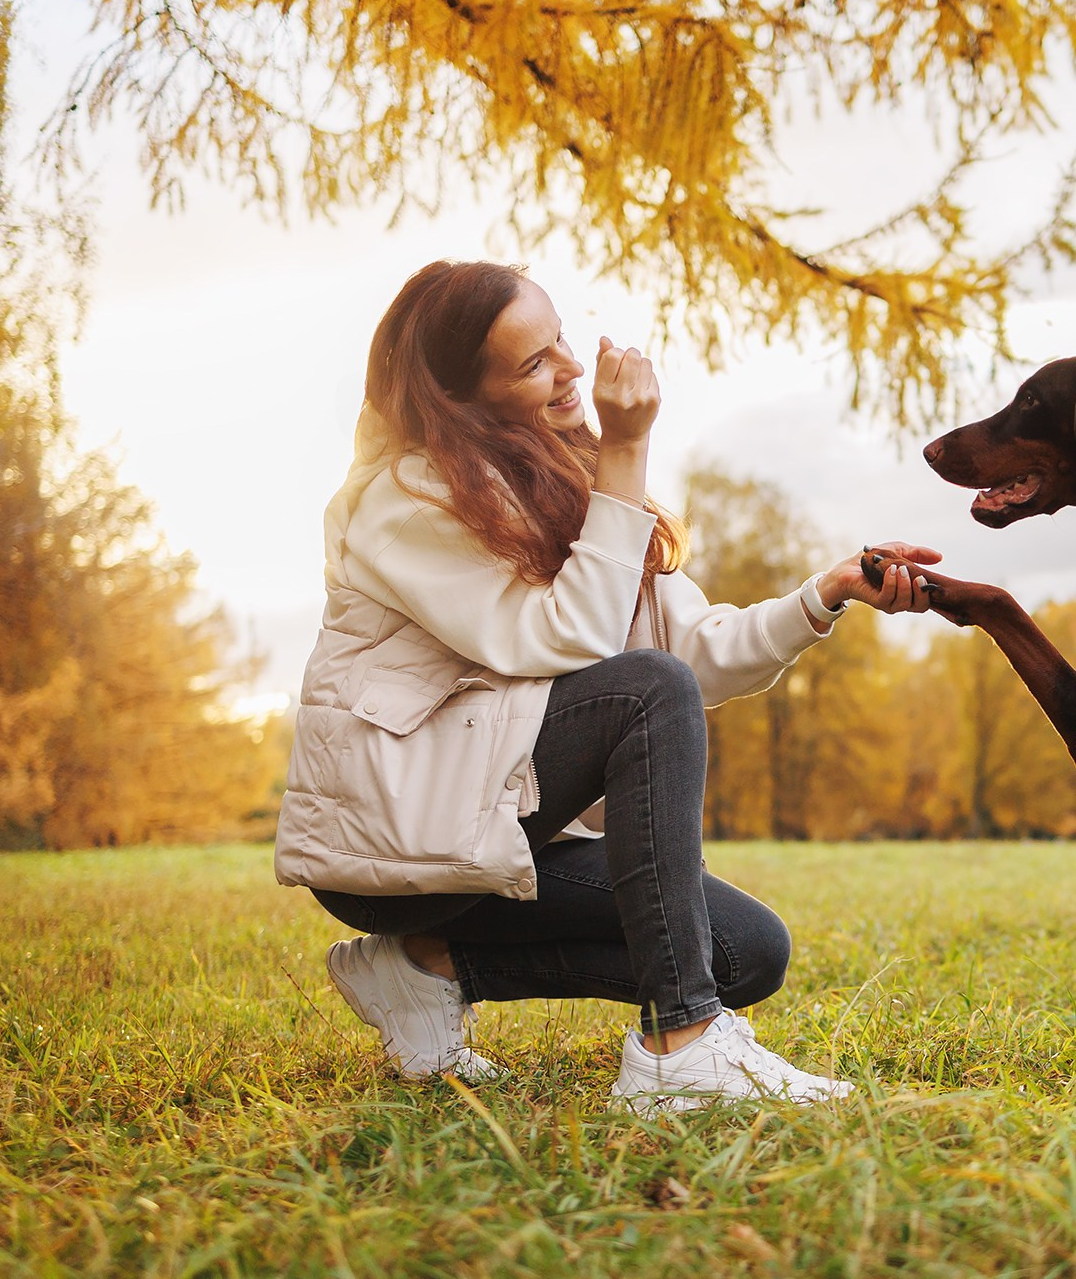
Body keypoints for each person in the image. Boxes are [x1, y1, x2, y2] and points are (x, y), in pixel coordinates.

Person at [273, 260, 941, 1113]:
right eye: (535, 363)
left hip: (496, 821)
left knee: (747, 952)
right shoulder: (403, 503)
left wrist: (825, 594)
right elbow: (582, 644)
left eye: (560, 340)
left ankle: (426, 966)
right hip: (394, 843)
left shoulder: (567, 485)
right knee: (644, 695)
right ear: (462, 401)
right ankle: (680, 1050)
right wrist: (626, 452)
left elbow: (692, 651)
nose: (573, 370)